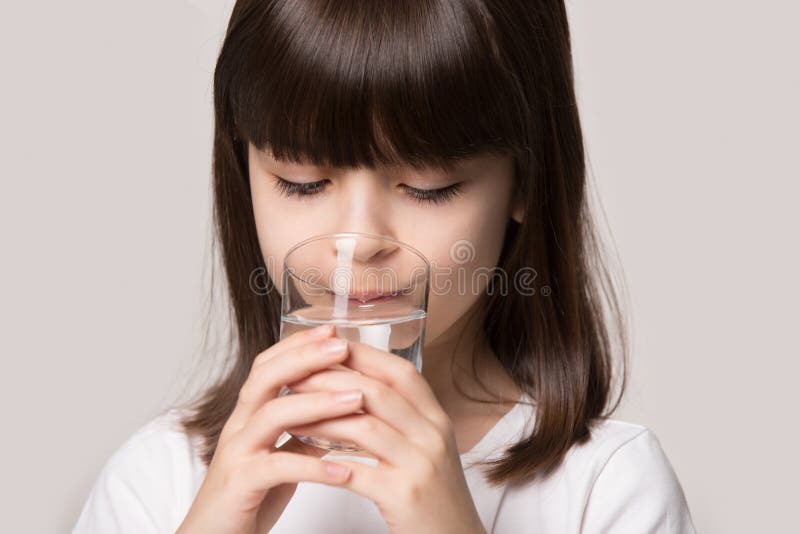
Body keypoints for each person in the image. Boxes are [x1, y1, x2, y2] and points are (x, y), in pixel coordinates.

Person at [73, 1, 697, 532]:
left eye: (427, 187)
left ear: (524, 181)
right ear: (245, 173)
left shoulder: (607, 487)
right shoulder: (161, 478)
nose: (359, 243)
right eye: (302, 181)